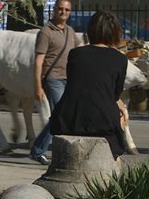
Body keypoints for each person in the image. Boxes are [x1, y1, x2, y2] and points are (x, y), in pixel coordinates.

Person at [49, 10, 129, 160]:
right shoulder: (120, 59)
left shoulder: (76, 54)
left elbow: (75, 83)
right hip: (103, 121)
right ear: (115, 32)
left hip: (70, 118)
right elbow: (115, 94)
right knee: (120, 113)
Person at [29, 0, 81, 165]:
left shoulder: (70, 31)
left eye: (67, 10)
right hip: (53, 80)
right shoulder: (46, 32)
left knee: (64, 116)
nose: (63, 12)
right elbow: (38, 61)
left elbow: (80, 51)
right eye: (60, 9)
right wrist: (38, 86)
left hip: (69, 79)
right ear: (54, 10)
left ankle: (45, 150)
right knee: (60, 115)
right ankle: (39, 150)